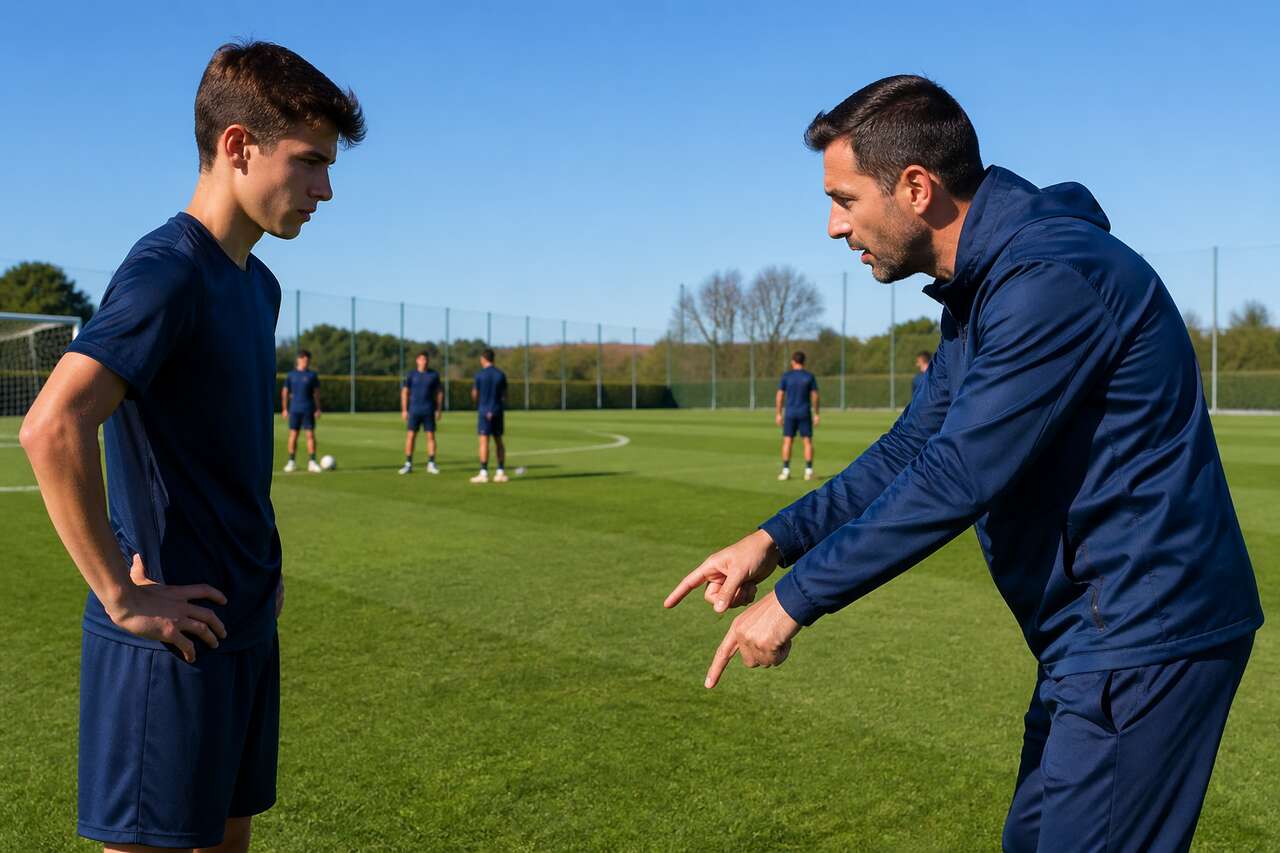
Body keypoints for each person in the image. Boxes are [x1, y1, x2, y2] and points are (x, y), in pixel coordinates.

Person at [664, 75, 1261, 852]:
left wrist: (793, 601)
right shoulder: (981, 292)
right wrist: (773, 541)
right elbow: (914, 446)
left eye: (844, 199)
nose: (833, 227)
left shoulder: (1050, 281)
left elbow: (957, 475)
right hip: (1093, 641)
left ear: (914, 187)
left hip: (1146, 633)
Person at [19, 41, 364, 852]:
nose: (325, 188)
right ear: (239, 146)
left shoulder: (258, 282)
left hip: (240, 623)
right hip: (167, 641)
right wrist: (121, 592)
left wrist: (262, 564)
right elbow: (52, 423)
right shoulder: (168, 271)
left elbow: (226, 446)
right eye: (309, 162)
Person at [775, 351, 819, 481]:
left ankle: (786, 471)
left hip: (790, 413)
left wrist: (778, 413)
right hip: (805, 412)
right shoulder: (809, 376)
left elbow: (780, 395)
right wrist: (816, 413)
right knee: (807, 442)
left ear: (793, 361)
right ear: (804, 362)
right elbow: (815, 396)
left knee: (787, 441)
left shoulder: (786, 376)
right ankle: (808, 471)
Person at [399, 350, 443, 474]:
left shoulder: (434, 375)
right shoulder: (411, 375)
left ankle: (431, 463)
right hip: (414, 410)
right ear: (417, 360)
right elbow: (405, 392)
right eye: (422, 359)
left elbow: (439, 392)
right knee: (411, 436)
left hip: (429, 410)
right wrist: (404, 409)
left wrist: (438, 410)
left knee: (431, 436)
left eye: (426, 359)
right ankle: (408, 463)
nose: (425, 361)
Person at [470, 348, 509, 483]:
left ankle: (483, 472)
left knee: (484, 441)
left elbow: (475, 394)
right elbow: (504, 395)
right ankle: (500, 472)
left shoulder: (479, 375)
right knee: (498, 441)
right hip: (497, 411)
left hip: (483, 411)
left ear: (483, 359)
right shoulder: (501, 375)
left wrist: (482, 404)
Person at [282, 349, 321, 472]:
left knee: (310, 435)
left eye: (307, 360)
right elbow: (285, 392)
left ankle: (312, 462)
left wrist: (318, 408)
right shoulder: (291, 375)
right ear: (298, 360)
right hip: (294, 410)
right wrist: (284, 409)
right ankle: (291, 461)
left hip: (308, 409)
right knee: (293, 435)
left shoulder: (312, 375)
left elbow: (316, 394)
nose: (306, 362)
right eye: (303, 359)